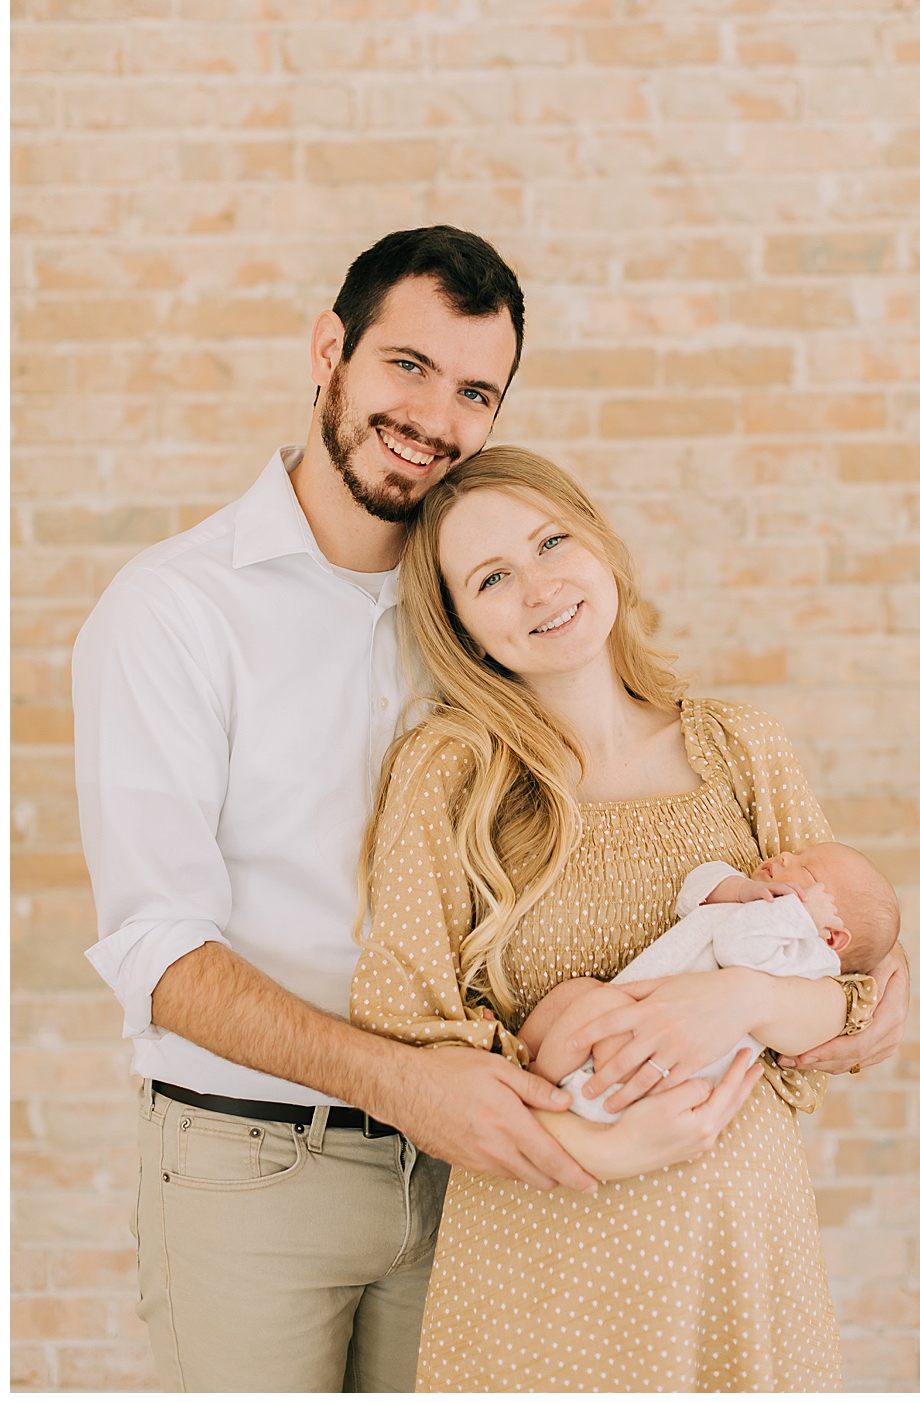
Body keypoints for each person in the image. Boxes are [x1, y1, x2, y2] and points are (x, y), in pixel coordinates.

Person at [72, 227, 611, 1394]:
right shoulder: (174, 610)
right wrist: (401, 1079)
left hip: (471, 1174)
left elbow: (630, 814)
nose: (434, 415)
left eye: (475, 389)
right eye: (406, 365)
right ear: (330, 350)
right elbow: (156, 951)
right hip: (250, 1169)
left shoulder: (494, 606)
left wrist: (845, 963)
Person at [350, 445, 906, 1391]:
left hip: (740, 1243)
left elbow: (856, 1005)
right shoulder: (453, 773)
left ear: (600, 545)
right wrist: (595, 1142)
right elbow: (402, 1043)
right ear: (464, 628)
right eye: (492, 577)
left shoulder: (738, 746)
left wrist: (732, 1001)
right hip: (551, 1242)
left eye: (552, 540)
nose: (539, 587)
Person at [524, 843, 900, 1123]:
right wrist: (739, 888)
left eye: (807, 871)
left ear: (831, 936)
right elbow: (693, 890)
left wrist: (796, 918)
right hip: (633, 1014)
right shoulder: (756, 910)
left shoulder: (804, 957)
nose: (786, 856)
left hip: (660, 1056)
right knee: (573, 996)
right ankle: (516, 1052)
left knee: (593, 1006)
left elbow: (736, 948)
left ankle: (532, 1087)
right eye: (797, 853)